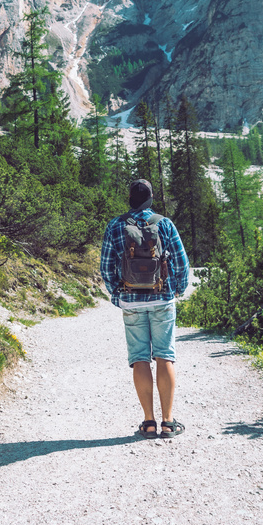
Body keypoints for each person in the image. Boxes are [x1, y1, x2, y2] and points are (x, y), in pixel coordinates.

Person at [100, 178, 190, 438]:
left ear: (130, 199)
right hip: (162, 298)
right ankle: (168, 422)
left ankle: (149, 422)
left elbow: (106, 267)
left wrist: (118, 296)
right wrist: (178, 289)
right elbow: (182, 263)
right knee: (164, 355)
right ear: (151, 199)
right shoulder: (165, 224)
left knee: (139, 358)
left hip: (131, 300)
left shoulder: (116, 225)